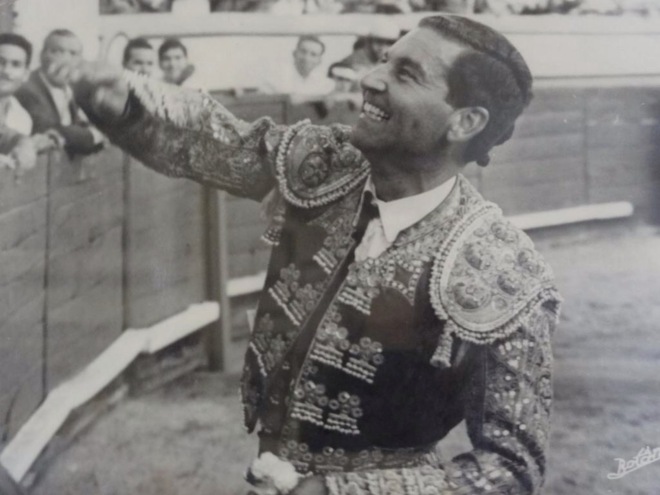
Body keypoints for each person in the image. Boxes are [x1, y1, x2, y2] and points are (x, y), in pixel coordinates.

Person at [70, 14, 561, 495]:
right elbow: (217, 141)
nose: (370, 79)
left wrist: (340, 491)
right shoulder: (331, 163)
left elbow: (510, 465)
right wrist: (126, 102)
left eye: (406, 74)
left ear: (466, 121)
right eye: (383, 61)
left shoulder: (499, 269)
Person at [16, 29, 104, 156]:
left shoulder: (70, 89)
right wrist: (96, 135)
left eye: (73, 54)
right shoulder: (28, 88)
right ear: (42, 55)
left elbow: (75, 125)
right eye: (57, 52)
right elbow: (49, 129)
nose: (65, 60)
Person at [261, 36, 334, 100]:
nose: (306, 58)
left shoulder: (323, 82)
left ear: (319, 61)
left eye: (313, 55)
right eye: (303, 52)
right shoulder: (276, 77)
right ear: (294, 53)